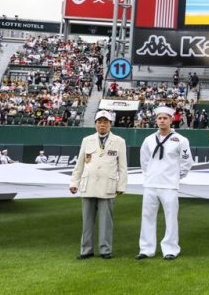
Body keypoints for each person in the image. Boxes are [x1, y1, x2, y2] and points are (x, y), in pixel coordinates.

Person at [69, 110, 128, 259]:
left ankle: (105, 250)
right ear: (95, 124)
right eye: (99, 122)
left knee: (106, 222)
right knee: (87, 221)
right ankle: (86, 250)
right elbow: (80, 163)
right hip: (88, 185)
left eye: (105, 122)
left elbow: (122, 167)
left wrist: (121, 186)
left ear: (110, 124)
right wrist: (74, 182)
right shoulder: (87, 140)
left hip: (108, 186)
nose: (102, 125)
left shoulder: (119, 141)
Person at [137, 106, 193, 260]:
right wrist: (150, 175)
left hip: (169, 185)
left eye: (165, 118)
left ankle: (170, 249)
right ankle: (146, 249)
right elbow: (144, 160)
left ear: (171, 120)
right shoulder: (148, 140)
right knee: (147, 216)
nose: (162, 121)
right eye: (159, 118)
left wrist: (176, 176)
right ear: (156, 120)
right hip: (150, 184)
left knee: (171, 218)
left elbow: (187, 162)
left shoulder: (181, 140)